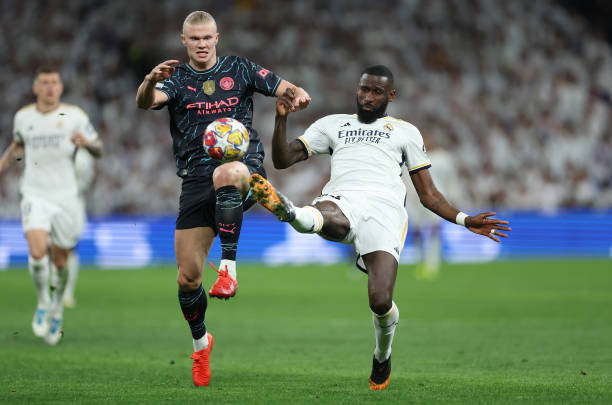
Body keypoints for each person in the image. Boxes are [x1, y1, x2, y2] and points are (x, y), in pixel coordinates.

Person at [249, 65, 511, 391]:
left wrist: (464, 219)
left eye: (376, 92)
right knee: (323, 214)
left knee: (380, 301)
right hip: (342, 199)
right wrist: (281, 118)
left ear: (391, 96)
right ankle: (288, 210)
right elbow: (283, 159)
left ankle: (382, 355)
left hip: (386, 213)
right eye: (363, 90)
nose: (368, 97)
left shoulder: (405, 132)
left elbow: (428, 196)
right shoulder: (333, 124)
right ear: (356, 90)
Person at [135, 11, 310, 387]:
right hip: (195, 180)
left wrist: (297, 94)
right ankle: (201, 344)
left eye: (207, 38)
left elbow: (283, 86)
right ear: (184, 41)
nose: (201, 44)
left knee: (228, 172)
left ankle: (229, 268)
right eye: (194, 39)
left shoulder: (240, 68)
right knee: (187, 278)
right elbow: (146, 102)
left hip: (241, 165)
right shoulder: (176, 78)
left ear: (217, 38)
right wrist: (150, 80)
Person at [0, 66, 102, 346]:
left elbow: (99, 149)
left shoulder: (75, 116)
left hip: (66, 197)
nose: (49, 87)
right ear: (35, 87)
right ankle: (44, 301)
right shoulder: (23, 117)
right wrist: (3, 164)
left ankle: (57, 306)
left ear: (60, 87)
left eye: (54, 82)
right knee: (36, 252)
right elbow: (18, 146)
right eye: (43, 82)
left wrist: (87, 144)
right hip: (34, 194)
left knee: (60, 260)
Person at [403, 133, 461, 279]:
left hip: (437, 198)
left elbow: (450, 178)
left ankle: (433, 264)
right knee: (417, 231)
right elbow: (406, 177)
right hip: (416, 198)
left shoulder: (443, 158)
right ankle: (420, 260)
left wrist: (453, 196)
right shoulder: (413, 155)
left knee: (434, 229)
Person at [62, 147, 101, 308]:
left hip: (72, 204)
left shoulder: (83, 156)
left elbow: (88, 180)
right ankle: (58, 292)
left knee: (70, 249)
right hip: (54, 203)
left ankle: (67, 293)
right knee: (53, 250)